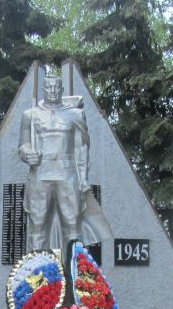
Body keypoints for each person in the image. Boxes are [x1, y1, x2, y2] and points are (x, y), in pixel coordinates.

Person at [17, 74, 108, 250]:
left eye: (56, 87)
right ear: (43, 90)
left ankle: (73, 267)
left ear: (62, 90)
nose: (52, 91)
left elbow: (81, 148)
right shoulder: (30, 115)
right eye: (49, 87)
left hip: (67, 174)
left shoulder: (76, 114)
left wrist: (83, 178)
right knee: (37, 226)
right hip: (40, 174)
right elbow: (23, 145)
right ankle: (38, 267)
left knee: (72, 226)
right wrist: (27, 154)